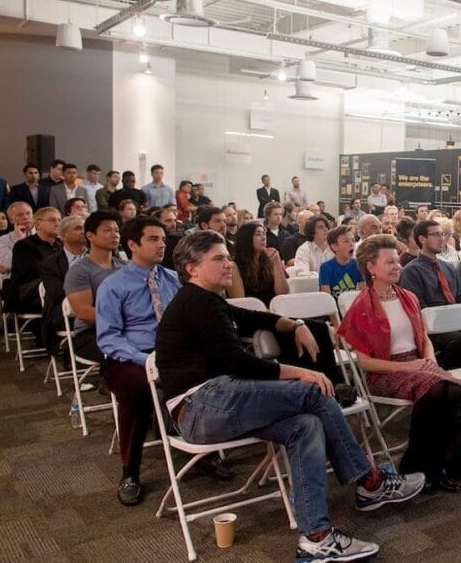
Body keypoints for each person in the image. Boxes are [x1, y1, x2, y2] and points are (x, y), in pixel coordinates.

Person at [158, 231, 423, 562]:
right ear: (192, 268)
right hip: (200, 406)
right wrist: (300, 372)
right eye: (219, 258)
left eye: (228, 257)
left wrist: (296, 324)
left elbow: (253, 318)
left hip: (216, 403)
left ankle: (315, 537)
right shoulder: (196, 302)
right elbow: (238, 363)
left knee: (305, 425)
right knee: (314, 390)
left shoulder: (209, 301)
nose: (228, 264)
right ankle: (371, 482)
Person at [339, 234, 461, 492]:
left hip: (419, 364)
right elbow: (366, 364)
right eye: (390, 262)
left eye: (397, 261)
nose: (398, 266)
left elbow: (424, 338)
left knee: (452, 389)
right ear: (371, 268)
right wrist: (411, 367)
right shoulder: (361, 307)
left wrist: (429, 360)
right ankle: (418, 467)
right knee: (438, 390)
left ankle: (429, 466)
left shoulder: (408, 296)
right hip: (385, 372)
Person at [95, 218, 197, 506]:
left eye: (163, 239)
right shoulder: (113, 285)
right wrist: (147, 360)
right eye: (153, 239)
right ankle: (130, 470)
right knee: (137, 390)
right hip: (132, 356)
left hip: (172, 352)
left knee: (206, 377)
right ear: (132, 245)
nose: (162, 244)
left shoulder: (173, 279)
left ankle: (206, 450)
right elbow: (109, 338)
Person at [398, 220, 461, 369]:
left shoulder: (448, 267)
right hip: (431, 327)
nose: (442, 239)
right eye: (436, 235)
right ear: (422, 239)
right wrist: (447, 320)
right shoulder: (411, 271)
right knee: (458, 341)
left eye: (442, 234)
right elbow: (417, 307)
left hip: (456, 322)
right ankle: (445, 378)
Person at [64, 211, 124, 363]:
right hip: (92, 333)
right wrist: (126, 322)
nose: (115, 235)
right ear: (90, 236)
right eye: (108, 230)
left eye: (116, 230)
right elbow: (84, 312)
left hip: (126, 327)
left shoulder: (126, 267)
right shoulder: (79, 270)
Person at [39, 215, 86, 349]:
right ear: (63, 235)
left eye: (85, 228)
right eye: (78, 228)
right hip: (65, 310)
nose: (84, 231)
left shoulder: (100, 257)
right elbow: (57, 294)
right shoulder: (50, 264)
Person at [6, 207, 62, 318]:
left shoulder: (60, 244)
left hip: (53, 287)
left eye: (59, 220)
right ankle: (54, 324)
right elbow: (33, 272)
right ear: (37, 224)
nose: (57, 224)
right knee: (52, 283)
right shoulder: (24, 245)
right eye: (52, 220)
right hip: (28, 292)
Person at [228, 221, 289, 305]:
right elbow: (240, 302)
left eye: (264, 234)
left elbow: (283, 292)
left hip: (274, 307)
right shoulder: (234, 265)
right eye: (258, 234)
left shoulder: (270, 259)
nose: (263, 238)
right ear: (246, 239)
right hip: (251, 310)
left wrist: (276, 263)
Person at [319, 226, 365, 296]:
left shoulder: (357, 264)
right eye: (346, 241)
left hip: (351, 302)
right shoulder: (326, 267)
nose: (351, 244)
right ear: (334, 247)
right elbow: (326, 297)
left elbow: (364, 292)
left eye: (353, 240)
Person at [0, 201, 33, 276]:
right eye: (20, 215)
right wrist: (20, 242)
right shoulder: (3, 240)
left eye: (28, 213)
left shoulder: (43, 234)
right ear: (11, 220)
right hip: (17, 280)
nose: (25, 217)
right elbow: (8, 265)